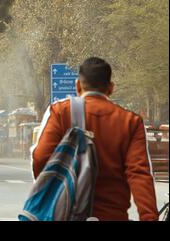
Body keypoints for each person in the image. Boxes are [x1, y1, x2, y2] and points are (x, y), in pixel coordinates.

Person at [31, 57, 158, 221]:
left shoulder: (60, 112)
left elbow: (40, 160)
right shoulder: (130, 122)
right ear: (111, 88)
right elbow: (139, 174)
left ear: (77, 85)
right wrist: (149, 217)